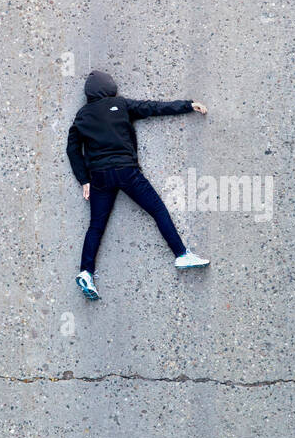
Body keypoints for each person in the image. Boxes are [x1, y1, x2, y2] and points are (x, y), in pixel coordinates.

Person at [66, 69, 210, 300]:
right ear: (110, 87)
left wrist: (84, 179)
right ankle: (181, 254)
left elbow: (72, 149)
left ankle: (85, 272)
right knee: (157, 209)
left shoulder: (81, 115)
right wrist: (188, 104)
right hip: (126, 171)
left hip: (100, 177)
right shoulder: (120, 105)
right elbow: (152, 107)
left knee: (96, 226)